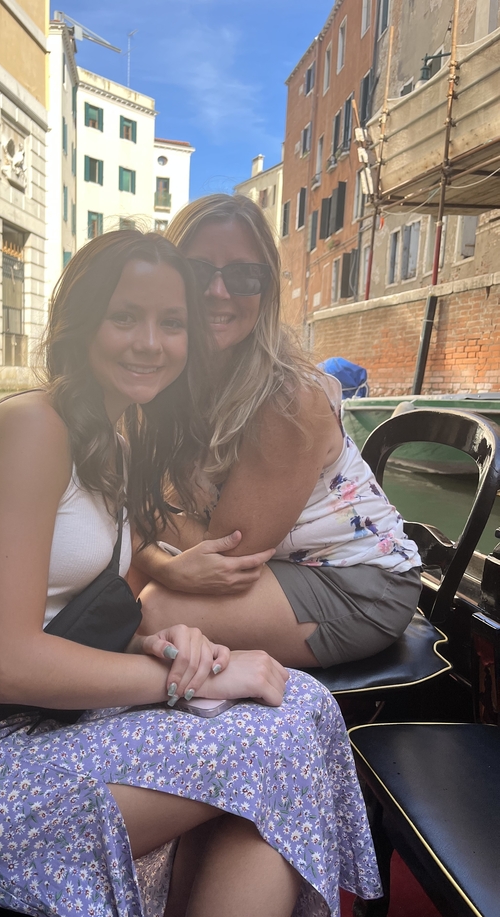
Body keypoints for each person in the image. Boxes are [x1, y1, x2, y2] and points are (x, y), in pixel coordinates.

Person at [0, 230, 380, 917]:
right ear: (81, 325)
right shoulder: (29, 428)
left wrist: (159, 644)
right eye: (125, 318)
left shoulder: (113, 435)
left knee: (299, 706)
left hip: (31, 726)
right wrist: (186, 680)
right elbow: (12, 661)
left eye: (171, 324)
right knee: (271, 746)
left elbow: (76, 608)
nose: (151, 342)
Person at [134, 194, 422, 671]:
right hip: (282, 563)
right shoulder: (169, 381)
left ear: (266, 291)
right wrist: (148, 545)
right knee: (117, 581)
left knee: (153, 612)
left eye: (245, 276)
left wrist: (134, 521)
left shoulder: (288, 401)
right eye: (198, 271)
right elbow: (150, 516)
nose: (219, 292)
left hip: (357, 584)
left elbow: (224, 557)